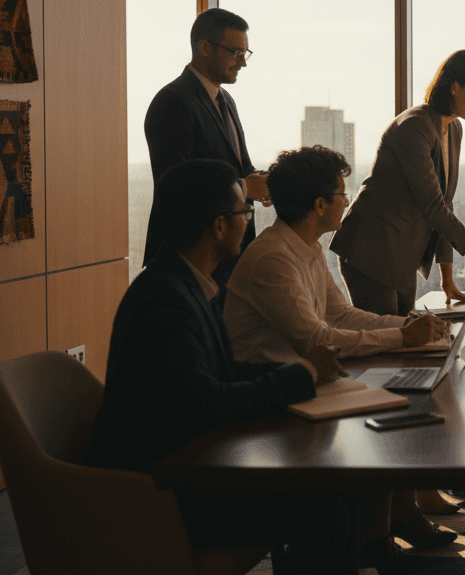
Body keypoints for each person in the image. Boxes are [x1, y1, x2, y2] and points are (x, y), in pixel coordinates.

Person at [89, 159, 403, 575]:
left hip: (194, 463)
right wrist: (303, 375)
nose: (249, 221)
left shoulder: (182, 284)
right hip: (167, 491)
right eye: (244, 212)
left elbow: (223, 373)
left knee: (338, 485)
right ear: (220, 225)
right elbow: (207, 399)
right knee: (327, 503)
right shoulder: (163, 303)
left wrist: (302, 375)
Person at [224, 144, 460, 545]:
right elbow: (318, 339)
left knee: (405, 388)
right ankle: (378, 531)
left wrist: (409, 326)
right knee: (397, 395)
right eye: (341, 194)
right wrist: (402, 336)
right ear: (319, 204)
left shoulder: (307, 248)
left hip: (307, 381)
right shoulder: (273, 258)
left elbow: (341, 315)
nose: (347, 202)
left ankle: (389, 519)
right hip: (275, 392)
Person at [331, 49, 465, 318]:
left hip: (403, 254)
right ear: (454, 87)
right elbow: (433, 207)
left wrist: (447, 279)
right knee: (387, 342)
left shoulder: (453, 129)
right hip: (370, 249)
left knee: (406, 335)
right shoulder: (414, 126)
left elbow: (445, 204)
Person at [143, 8, 269, 304]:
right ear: (203, 47)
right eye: (235, 52)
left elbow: (239, 167)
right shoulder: (173, 102)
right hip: (191, 259)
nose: (243, 63)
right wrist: (247, 188)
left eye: (245, 53)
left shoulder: (225, 100)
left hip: (227, 258)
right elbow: (175, 187)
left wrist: (264, 181)